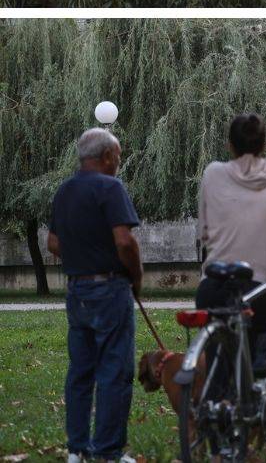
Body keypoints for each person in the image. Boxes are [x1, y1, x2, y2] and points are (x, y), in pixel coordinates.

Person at [47, 128, 142, 463]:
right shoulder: (110, 187)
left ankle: (77, 450)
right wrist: (135, 276)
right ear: (105, 157)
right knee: (115, 371)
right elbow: (125, 241)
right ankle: (108, 452)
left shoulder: (64, 191)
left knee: (81, 372)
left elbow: (54, 243)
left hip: (77, 291)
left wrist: (83, 257)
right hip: (109, 288)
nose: (118, 163)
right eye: (117, 157)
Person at [196, 113, 266, 373]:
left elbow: (204, 231)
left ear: (230, 144)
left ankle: (215, 399)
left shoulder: (212, 173)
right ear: (263, 144)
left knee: (218, 357)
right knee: (263, 338)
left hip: (213, 285)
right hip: (257, 287)